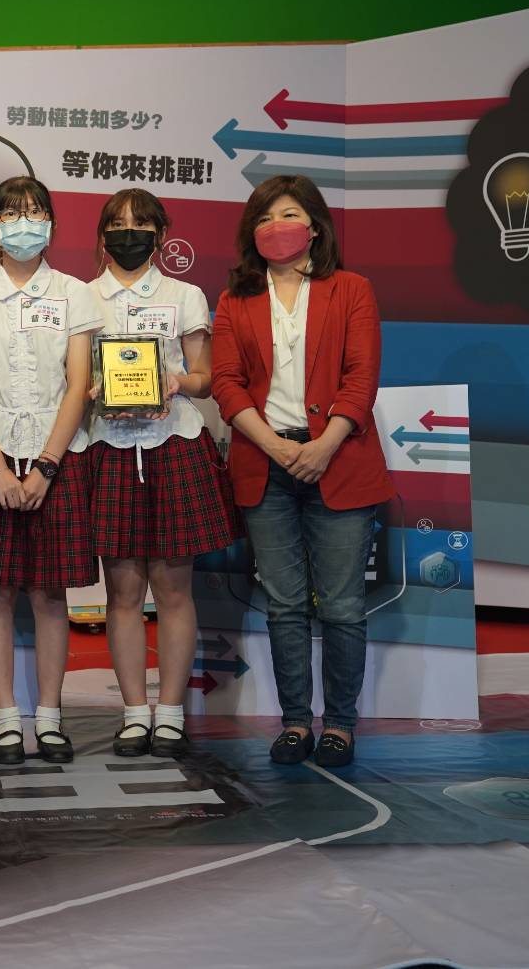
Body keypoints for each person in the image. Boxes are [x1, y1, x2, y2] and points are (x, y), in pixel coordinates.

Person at [211, 174, 394, 768]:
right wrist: (274, 446)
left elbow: (361, 377)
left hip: (339, 461)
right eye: (264, 218)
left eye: (288, 215)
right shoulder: (235, 298)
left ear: (314, 225)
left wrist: (324, 445)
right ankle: (295, 722)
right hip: (265, 467)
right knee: (285, 605)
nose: (275, 227)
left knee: (341, 606)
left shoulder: (352, 289)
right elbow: (226, 383)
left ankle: (340, 724)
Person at [0, 177, 100, 764]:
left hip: (55, 457)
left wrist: (45, 467)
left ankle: (51, 716)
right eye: (12, 214)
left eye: (36, 213)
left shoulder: (75, 293)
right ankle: (8, 719)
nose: (24, 223)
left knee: (50, 595)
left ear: (51, 226)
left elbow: (78, 385)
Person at [85, 188, 240, 758]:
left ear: (161, 234)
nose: (129, 233)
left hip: (173, 444)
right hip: (109, 448)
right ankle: (133, 713)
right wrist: (94, 389)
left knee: (174, 589)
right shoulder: (82, 298)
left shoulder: (185, 295)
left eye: (141, 223)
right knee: (123, 591)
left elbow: (204, 377)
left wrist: (175, 383)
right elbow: (71, 379)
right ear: (103, 235)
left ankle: (170, 712)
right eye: (118, 224)